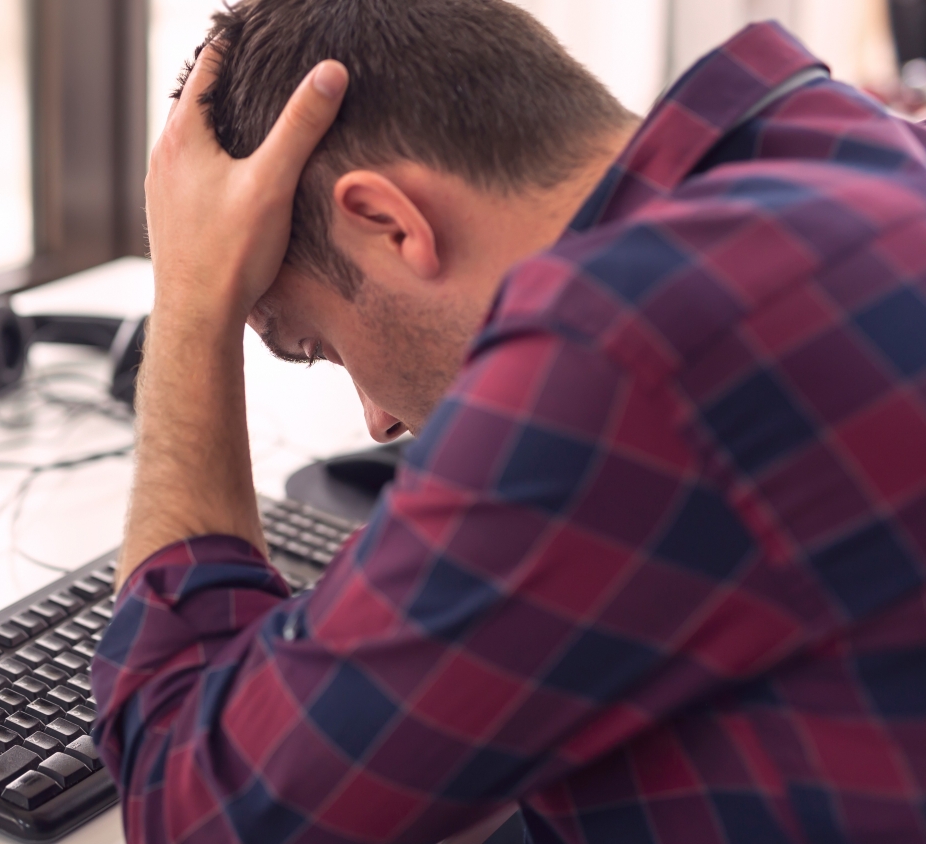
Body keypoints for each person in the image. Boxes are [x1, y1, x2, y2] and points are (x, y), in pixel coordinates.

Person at [89, 0, 926, 842]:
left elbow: (196, 810)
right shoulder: (827, 130)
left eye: (320, 345)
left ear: (390, 223)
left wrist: (193, 300)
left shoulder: (617, 350)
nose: (378, 425)